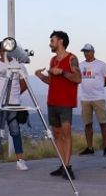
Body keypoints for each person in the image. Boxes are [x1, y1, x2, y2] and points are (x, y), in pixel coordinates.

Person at [34, 30, 81, 180]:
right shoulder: (52, 60)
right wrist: (41, 76)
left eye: (52, 40)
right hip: (52, 102)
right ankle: (62, 165)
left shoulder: (72, 58)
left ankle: (68, 167)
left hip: (65, 103)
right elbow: (52, 81)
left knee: (66, 134)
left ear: (60, 41)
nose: (50, 43)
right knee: (57, 134)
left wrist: (63, 72)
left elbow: (78, 78)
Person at [0, 40, 29, 171]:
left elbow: (24, 83)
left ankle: (20, 160)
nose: (5, 53)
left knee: (15, 131)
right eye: (2, 50)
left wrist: (15, 94)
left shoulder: (18, 64)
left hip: (13, 103)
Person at [77, 43, 106, 157]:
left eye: (88, 51)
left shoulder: (101, 65)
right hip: (85, 98)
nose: (86, 53)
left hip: (98, 98)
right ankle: (89, 147)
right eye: (84, 52)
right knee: (88, 124)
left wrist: (98, 88)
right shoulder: (80, 65)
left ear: (93, 52)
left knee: (103, 123)